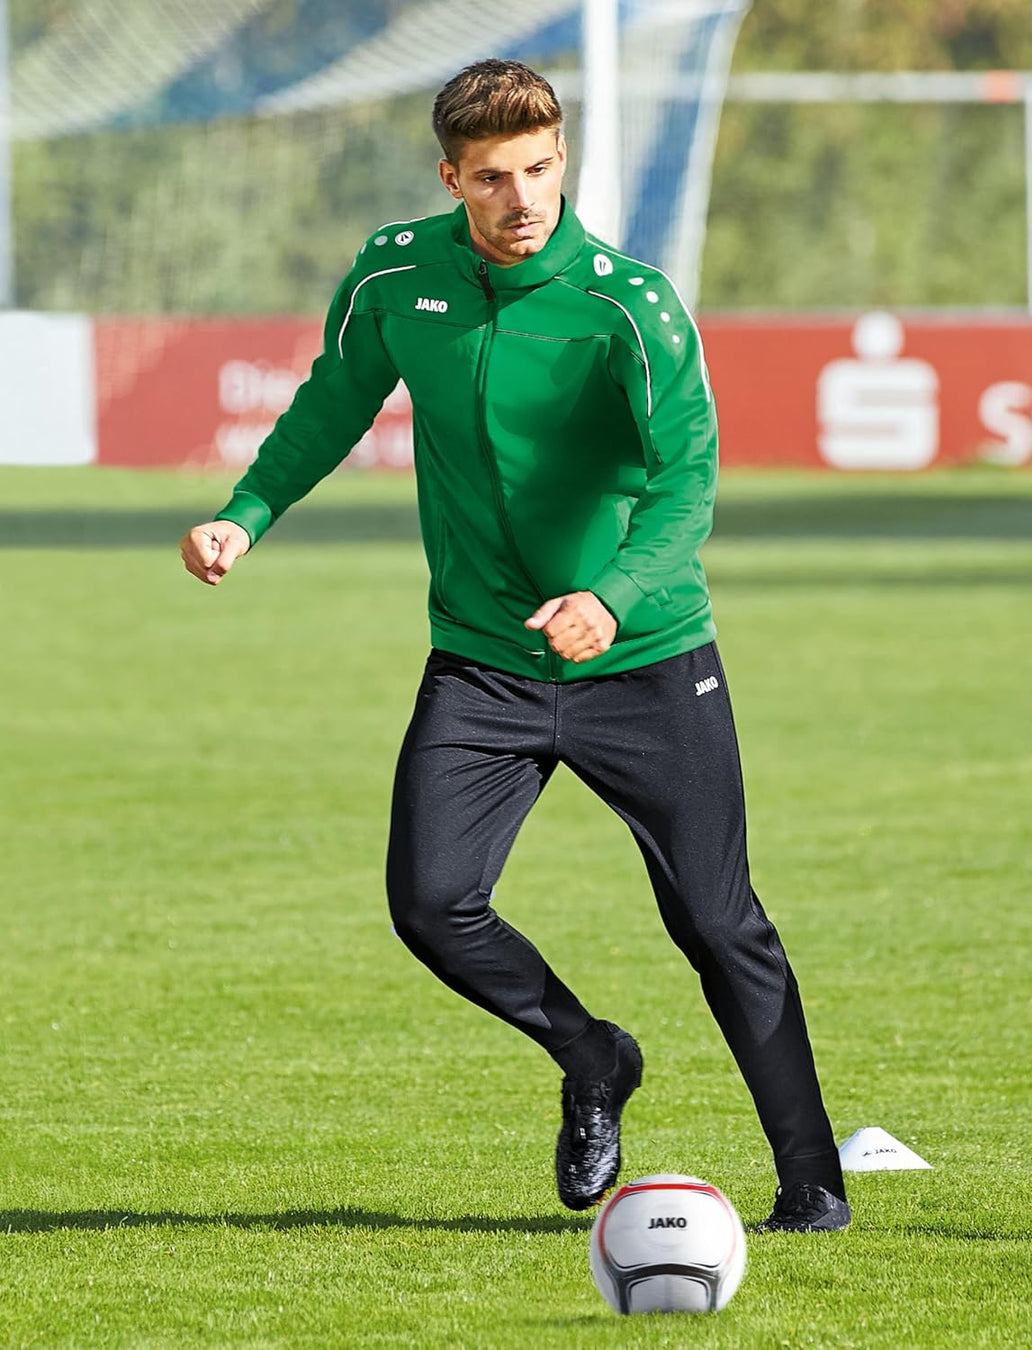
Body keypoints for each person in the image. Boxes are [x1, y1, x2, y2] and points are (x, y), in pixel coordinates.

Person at [179, 59, 850, 1232]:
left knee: (716, 922)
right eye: (492, 178)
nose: (523, 198)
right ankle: (593, 1056)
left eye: (539, 169)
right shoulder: (396, 274)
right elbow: (332, 403)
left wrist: (613, 597)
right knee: (432, 902)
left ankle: (813, 1184)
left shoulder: (629, 305)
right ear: (453, 179)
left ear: (562, 159)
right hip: (482, 662)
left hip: (644, 660)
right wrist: (247, 512)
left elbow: (688, 480)